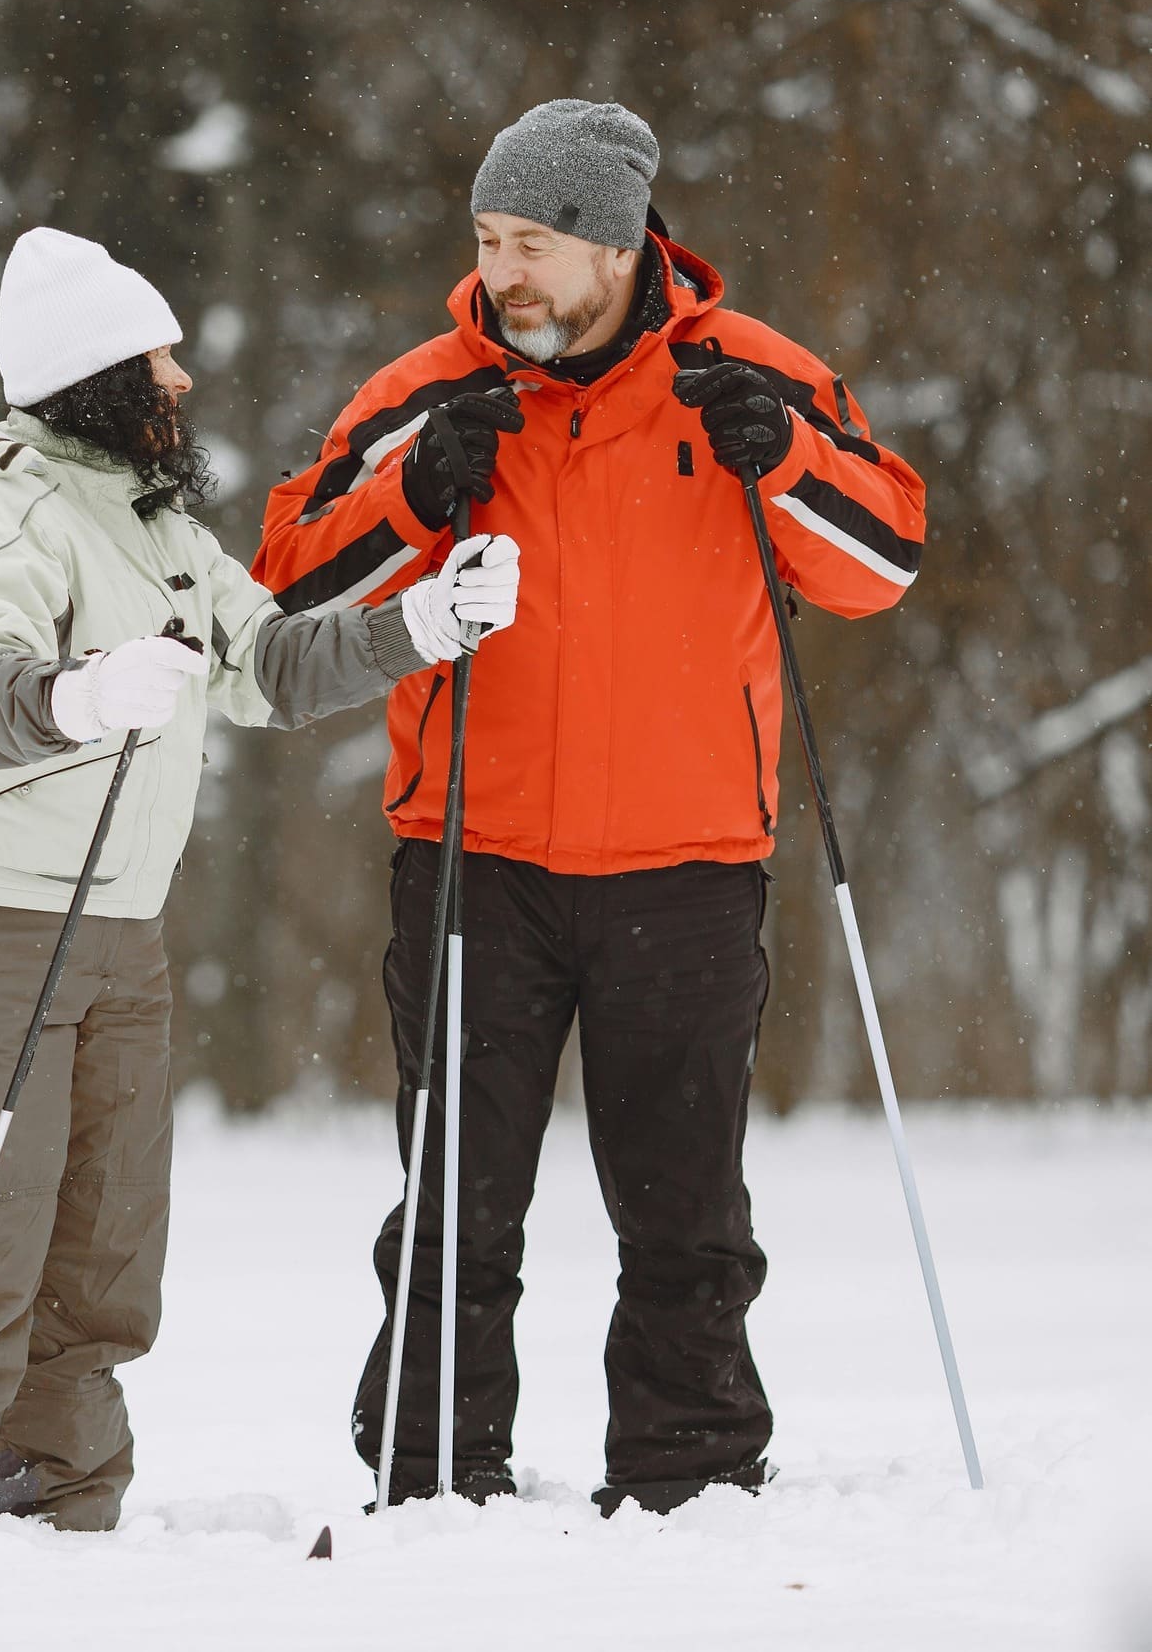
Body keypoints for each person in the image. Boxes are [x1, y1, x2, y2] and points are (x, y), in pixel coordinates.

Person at [251, 99, 927, 1516]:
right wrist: (416, 502)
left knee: (684, 1210)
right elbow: (287, 588)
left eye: (537, 244)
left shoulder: (752, 378)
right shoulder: (425, 396)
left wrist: (787, 460)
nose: (507, 274)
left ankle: (687, 1473)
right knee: (456, 1201)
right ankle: (435, 1468)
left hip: (688, 867)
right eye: (490, 240)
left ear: (618, 246)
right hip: (473, 863)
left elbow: (886, 559)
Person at [0, 227, 520, 1555]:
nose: (184, 379)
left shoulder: (160, 526)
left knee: (100, 1263)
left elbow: (273, 665)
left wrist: (424, 622)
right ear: (97, 373)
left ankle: (57, 1515)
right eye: (161, 356)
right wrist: (74, 696)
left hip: (116, 933)